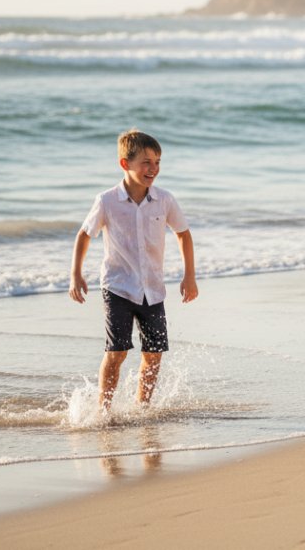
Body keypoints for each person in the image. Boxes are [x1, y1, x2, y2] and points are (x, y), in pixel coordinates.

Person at [69, 129, 198, 414]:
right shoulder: (107, 201)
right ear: (125, 164)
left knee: (153, 355)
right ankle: (104, 411)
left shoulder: (164, 200)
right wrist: (76, 274)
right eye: (146, 162)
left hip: (153, 289)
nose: (153, 168)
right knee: (117, 352)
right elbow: (84, 234)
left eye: (158, 162)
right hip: (118, 287)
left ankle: (142, 409)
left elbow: (184, 234)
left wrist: (189, 276)